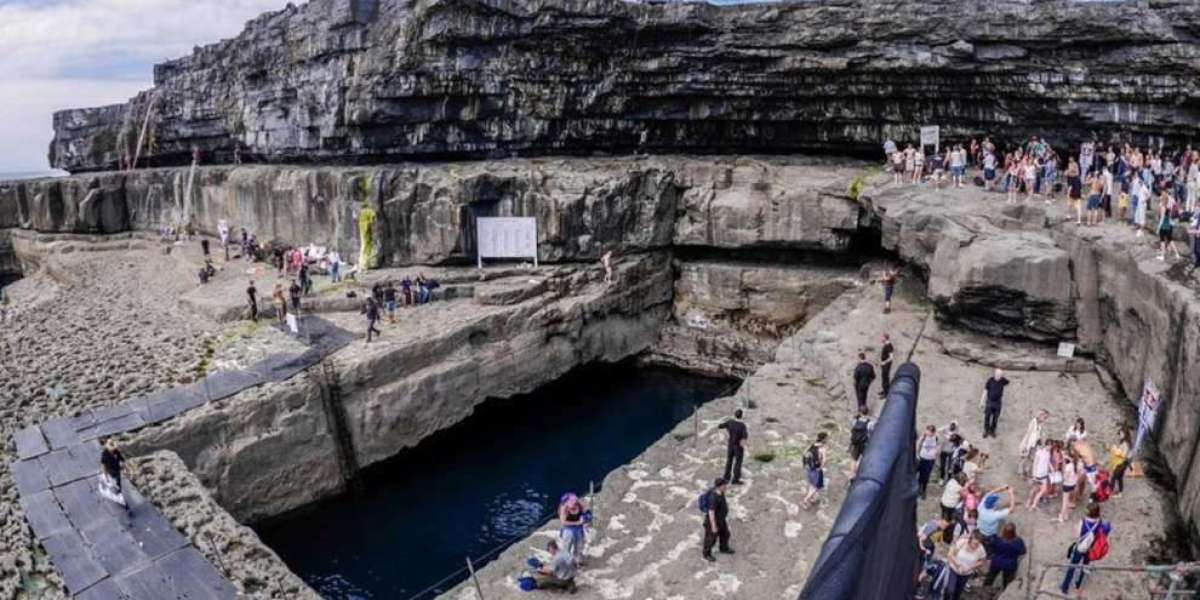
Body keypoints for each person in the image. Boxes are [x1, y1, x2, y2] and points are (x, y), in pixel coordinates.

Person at [1061, 503, 1112, 595]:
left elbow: (1077, 535)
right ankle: (1078, 583)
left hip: (1080, 548)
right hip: (1090, 549)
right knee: (1084, 566)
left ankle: (1065, 586)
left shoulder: (1083, 522)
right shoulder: (1099, 522)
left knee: (1072, 566)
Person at [945, 531, 988, 600]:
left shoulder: (980, 549)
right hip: (954, 570)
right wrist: (958, 565)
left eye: (978, 544)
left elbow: (982, 561)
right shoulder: (962, 542)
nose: (976, 546)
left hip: (966, 574)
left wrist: (971, 567)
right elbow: (950, 554)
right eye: (975, 543)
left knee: (958, 591)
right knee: (950, 590)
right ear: (970, 540)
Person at [983, 523, 1026, 592]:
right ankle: (1005, 590)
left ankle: (985, 587)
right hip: (1010, 564)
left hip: (996, 562)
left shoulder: (998, 540)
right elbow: (1023, 552)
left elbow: (991, 547)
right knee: (1007, 579)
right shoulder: (1018, 541)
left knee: (991, 575)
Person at [701, 478, 733, 561]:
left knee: (725, 534)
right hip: (713, 522)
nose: (726, 486)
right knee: (711, 539)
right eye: (724, 485)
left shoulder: (721, 492)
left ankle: (724, 548)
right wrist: (713, 526)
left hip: (721, 519)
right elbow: (711, 512)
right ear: (720, 486)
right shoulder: (713, 498)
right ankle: (706, 553)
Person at [99, 439, 132, 513]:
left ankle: (119, 497)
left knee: (118, 486)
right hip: (110, 472)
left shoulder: (116, 452)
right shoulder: (104, 454)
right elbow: (104, 466)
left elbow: (122, 460)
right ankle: (123, 503)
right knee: (115, 486)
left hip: (117, 471)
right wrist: (106, 475)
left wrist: (127, 469)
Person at [718, 409, 748, 485]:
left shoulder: (730, 422)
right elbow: (745, 436)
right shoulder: (742, 425)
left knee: (729, 461)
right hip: (738, 446)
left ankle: (726, 477)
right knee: (738, 462)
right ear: (741, 416)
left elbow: (720, 426)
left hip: (730, 444)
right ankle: (735, 479)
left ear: (735, 415)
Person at [558, 493, 589, 561]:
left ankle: (578, 558)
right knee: (567, 544)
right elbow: (563, 522)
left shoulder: (579, 505)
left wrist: (585, 520)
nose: (573, 504)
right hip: (568, 529)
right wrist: (577, 523)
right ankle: (565, 560)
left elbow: (584, 513)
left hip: (579, 528)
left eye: (574, 502)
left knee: (579, 543)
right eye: (571, 502)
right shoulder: (564, 509)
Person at [1018, 410, 1048, 477]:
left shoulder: (1040, 425)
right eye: (1044, 417)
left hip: (1034, 444)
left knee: (1031, 458)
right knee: (1024, 458)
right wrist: (1025, 445)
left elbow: (1039, 435)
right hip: (1028, 443)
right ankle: (1020, 472)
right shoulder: (1033, 422)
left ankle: (1026, 470)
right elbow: (1028, 433)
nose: (1044, 420)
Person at [801, 433, 828, 509]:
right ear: (823, 439)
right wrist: (820, 468)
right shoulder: (822, 448)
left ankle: (812, 499)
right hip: (816, 469)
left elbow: (804, 453)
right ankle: (805, 500)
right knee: (816, 487)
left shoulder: (812, 445)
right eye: (826, 438)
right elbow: (825, 460)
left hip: (809, 468)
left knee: (812, 484)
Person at [981, 368, 1009, 438]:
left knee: (995, 418)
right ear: (994, 374)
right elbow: (985, 391)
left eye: (1000, 375)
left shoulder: (1003, 381)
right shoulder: (990, 380)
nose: (998, 376)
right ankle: (986, 430)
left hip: (998, 403)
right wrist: (982, 401)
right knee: (987, 417)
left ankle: (992, 431)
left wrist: (1002, 375)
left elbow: (1008, 382)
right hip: (990, 401)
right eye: (997, 374)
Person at [849, 406, 874, 478]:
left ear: (860, 412)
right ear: (868, 412)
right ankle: (857, 472)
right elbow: (871, 432)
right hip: (864, 443)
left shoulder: (855, 420)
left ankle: (851, 474)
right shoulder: (870, 423)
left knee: (854, 459)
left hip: (855, 442)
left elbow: (852, 429)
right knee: (863, 458)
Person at [1027, 439, 1052, 510]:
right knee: (1036, 489)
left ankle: (1032, 503)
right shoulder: (1039, 452)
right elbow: (1035, 463)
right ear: (1046, 445)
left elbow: (1047, 462)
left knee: (1039, 489)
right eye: (1049, 446)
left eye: (1051, 446)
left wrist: (1051, 469)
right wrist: (1034, 475)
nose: (1050, 447)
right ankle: (1031, 503)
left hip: (1044, 474)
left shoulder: (1048, 453)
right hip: (1038, 474)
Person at [916, 425, 940, 499]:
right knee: (920, 474)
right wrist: (917, 454)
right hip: (922, 458)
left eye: (929, 431)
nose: (927, 433)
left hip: (930, 460)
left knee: (926, 476)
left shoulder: (935, 437)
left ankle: (923, 490)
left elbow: (939, 443)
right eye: (927, 431)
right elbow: (918, 444)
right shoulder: (924, 437)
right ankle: (919, 488)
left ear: (932, 432)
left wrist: (936, 453)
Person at [1059, 446, 1082, 522]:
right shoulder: (1078, 465)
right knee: (1068, 500)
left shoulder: (1068, 466)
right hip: (1073, 484)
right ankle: (1066, 515)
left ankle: (1062, 516)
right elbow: (1079, 475)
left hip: (1067, 484)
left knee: (1064, 502)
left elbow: (1065, 477)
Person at [1109, 426, 1132, 497]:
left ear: (1125, 434)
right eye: (1120, 433)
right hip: (1124, 463)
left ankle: (1111, 491)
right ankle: (1120, 492)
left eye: (1121, 434)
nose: (1120, 435)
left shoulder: (1126, 444)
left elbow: (1124, 455)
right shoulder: (1125, 442)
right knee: (1119, 478)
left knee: (1114, 477)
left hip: (1122, 463)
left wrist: (1116, 450)